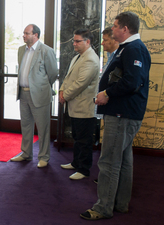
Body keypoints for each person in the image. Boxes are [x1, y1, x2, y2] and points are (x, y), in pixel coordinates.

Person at [80, 11, 151, 220]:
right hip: (123, 114)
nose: (112, 29)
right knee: (124, 161)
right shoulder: (128, 48)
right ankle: (120, 204)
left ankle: (103, 208)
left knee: (109, 162)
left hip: (122, 115)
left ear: (125, 29)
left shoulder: (134, 48)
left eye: (115, 25)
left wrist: (106, 93)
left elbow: (132, 82)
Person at [9, 24, 58, 168]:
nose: (23, 35)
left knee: (43, 128)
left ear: (35, 35)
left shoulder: (46, 51)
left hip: (40, 95)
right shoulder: (20, 50)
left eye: (26, 33)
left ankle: (43, 156)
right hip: (23, 93)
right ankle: (26, 153)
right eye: (23, 33)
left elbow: (53, 73)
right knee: (26, 125)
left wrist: (41, 87)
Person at [59, 29, 99, 180]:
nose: (74, 44)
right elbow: (68, 78)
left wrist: (65, 96)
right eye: (73, 41)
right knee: (77, 137)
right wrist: (62, 90)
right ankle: (76, 163)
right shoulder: (78, 57)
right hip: (75, 105)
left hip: (84, 107)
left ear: (87, 42)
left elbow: (80, 84)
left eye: (77, 41)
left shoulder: (91, 59)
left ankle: (83, 169)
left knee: (84, 140)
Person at [94, 27, 119, 184]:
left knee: (112, 152)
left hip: (116, 109)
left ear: (114, 40)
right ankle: (105, 179)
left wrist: (106, 94)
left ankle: (109, 183)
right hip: (107, 107)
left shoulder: (120, 57)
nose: (102, 43)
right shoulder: (111, 55)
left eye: (105, 40)